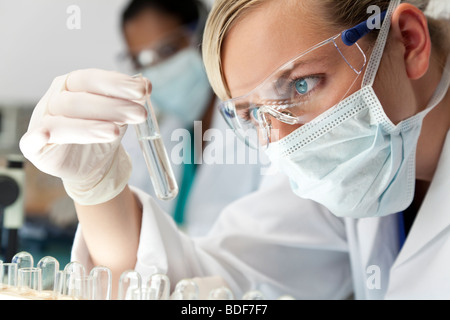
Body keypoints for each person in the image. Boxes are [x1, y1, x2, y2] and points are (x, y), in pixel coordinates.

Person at [19, 0, 450, 300]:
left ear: (409, 42)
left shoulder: (357, 145)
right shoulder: (344, 166)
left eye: (301, 84)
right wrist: (97, 190)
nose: (282, 141)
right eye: (251, 114)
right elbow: (215, 289)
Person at [119, 0, 265, 236]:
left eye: (167, 50)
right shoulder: (164, 129)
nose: (158, 69)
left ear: (202, 36)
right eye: (140, 61)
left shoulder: (255, 121)